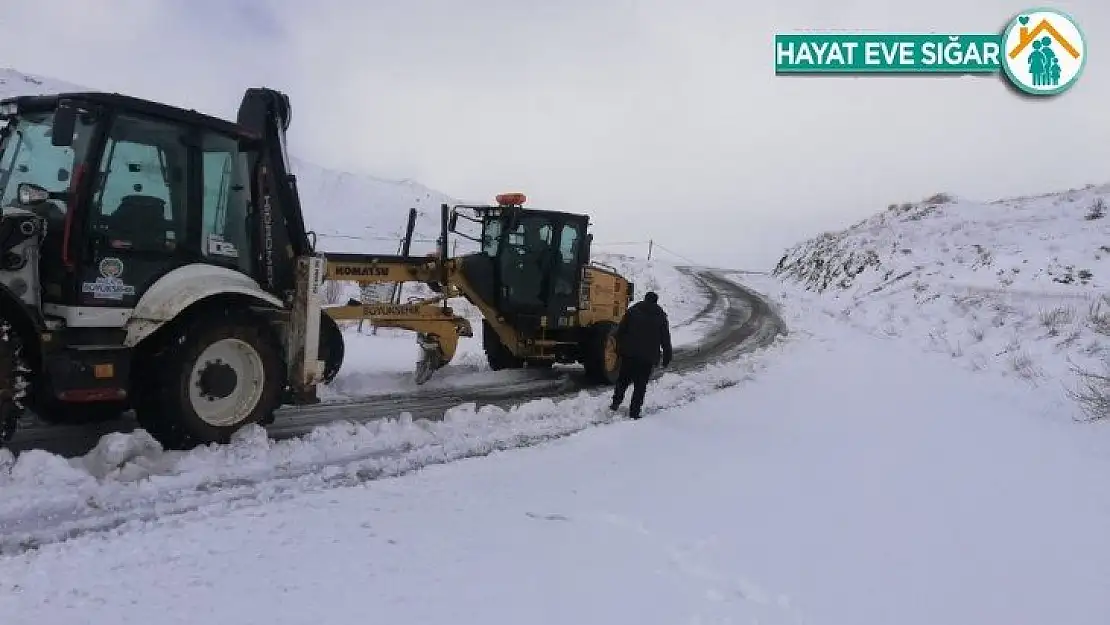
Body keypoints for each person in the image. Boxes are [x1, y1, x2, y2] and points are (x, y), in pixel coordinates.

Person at [609, 291, 672, 419]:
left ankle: (615, 403)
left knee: (623, 380)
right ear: (655, 301)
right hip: (647, 358)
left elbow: (620, 331)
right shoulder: (660, 317)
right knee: (640, 385)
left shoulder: (633, 311)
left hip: (629, 355)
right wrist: (667, 357)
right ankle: (634, 412)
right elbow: (665, 339)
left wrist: (619, 349)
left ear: (644, 299)